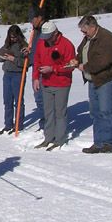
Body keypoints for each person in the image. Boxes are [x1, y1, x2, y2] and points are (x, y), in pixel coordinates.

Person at [70, 16, 112, 154]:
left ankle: (108, 142)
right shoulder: (89, 38)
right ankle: (98, 142)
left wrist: (85, 67)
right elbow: (82, 51)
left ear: (92, 27)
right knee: (95, 112)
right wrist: (76, 60)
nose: (83, 33)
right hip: (93, 80)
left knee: (105, 111)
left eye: (85, 31)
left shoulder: (107, 39)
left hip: (106, 80)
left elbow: (103, 62)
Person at [33, 21, 75, 150]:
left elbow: (70, 66)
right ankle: (48, 137)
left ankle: (60, 138)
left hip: (62, 84)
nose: (47, 41)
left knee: (60, 112)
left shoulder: (66, 45)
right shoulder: (41, 43)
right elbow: (37, 61)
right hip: (46, 83)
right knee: (48, 112)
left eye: (49, 37)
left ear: (56, 33)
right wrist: (35, 78)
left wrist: (53, 69)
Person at [0, 25, 28, 135]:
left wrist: (14, 59)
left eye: (14, 37)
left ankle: (19, 124)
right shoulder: (7, 44)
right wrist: (3, 56)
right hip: (7, 75)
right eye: (11, 37)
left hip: (18, 75)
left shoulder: (24, 46)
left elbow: (27, 63)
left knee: (18, 101)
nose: (12, 39)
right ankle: (8, 124)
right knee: (7, 101)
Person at [23, 7, 47, 131]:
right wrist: (30, 52)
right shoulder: (36, 31)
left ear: (39, 18)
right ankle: (44, 122)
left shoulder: (46, 30)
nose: (31, 22)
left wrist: (33, 55)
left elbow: (44, 51)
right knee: (39, 98)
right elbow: (37, 50)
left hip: (44, 70)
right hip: (36, 70)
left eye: (32, 19)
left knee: (45, 99)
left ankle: (48, 124)